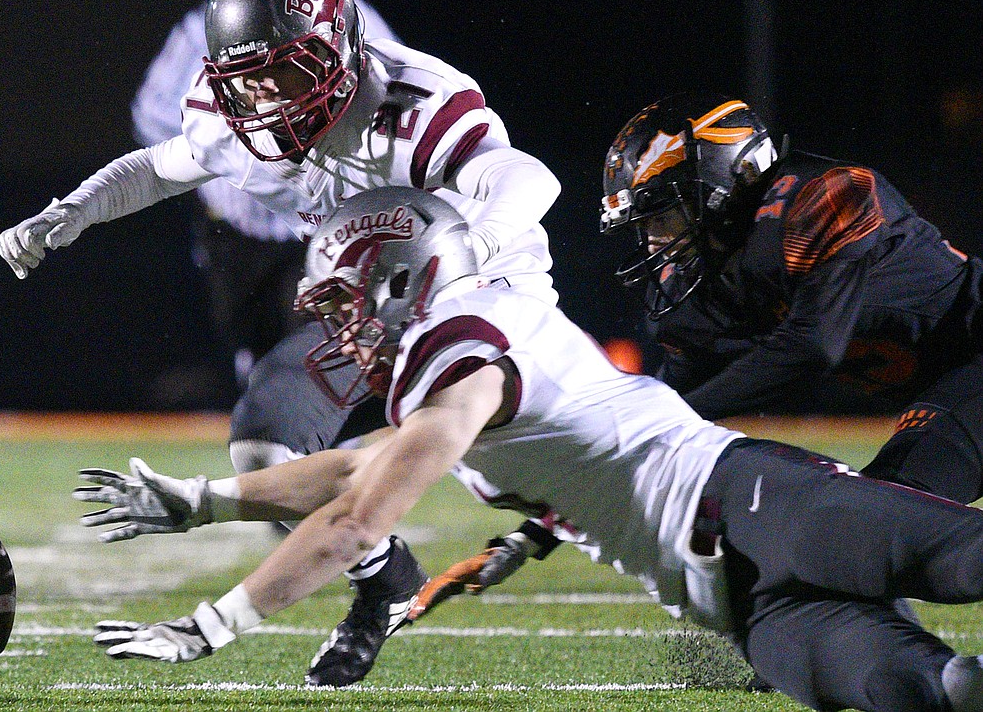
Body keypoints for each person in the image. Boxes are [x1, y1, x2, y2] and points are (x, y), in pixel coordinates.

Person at [75, 187, 983, 712]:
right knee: (936, 693)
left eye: (348, 302)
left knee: (965, 558)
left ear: (404, 275)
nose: (342, 332)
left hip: (749, 500)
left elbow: (357, 521)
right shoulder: (446, 370)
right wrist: (201, 500)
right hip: (735, 604)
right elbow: (357, 466)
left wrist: (211, 626)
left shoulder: (463, 342)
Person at [0, 0, 563, 687]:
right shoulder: (229, 119)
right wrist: (69, 212)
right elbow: (160, 166)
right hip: (365, 309)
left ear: (339, 45)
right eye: (247, 78)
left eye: (286, 70)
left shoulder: (413, 101)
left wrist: (464, 242)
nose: (266, 97)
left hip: (478, 299)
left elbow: (527, 175)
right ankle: (387, 579)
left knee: (523, 479)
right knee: (264, 449)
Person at [596, 92, 983, 507]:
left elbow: (813, 345)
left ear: (721, 183)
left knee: (880, 515)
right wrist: (600, 457)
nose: (656, 239)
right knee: (869, 520)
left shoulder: (824, 196)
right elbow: (673, 392)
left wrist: (661, 424)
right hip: (946, 381)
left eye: (665, 214)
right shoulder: (704, 277)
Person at [131, 0, 402, 400]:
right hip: (239, 231)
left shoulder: (349, 17)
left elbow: (393, 105)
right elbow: (152, 115)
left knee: (335, 363)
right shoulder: (206, 26)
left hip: (326, 227)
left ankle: (336, 455)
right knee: (257, 359)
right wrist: (217, 161)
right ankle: (275, 454)